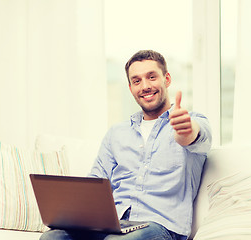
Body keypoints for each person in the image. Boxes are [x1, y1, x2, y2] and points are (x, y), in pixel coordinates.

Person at [40, 50, 212, 240]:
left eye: (152, 77)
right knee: (52, 237)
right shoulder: (117, 134)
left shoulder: (191, 120)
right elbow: (96, 182)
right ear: (130, 88)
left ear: (167, 79)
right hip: (113, 224)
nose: (145, 86)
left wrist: (185, 130)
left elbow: (193, 136)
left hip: (160, 227)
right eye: (137, 81)